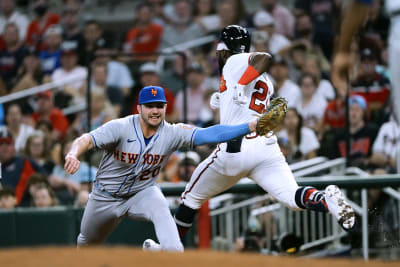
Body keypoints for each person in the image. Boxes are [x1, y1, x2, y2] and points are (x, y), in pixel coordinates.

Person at [172, 25, 356, 246]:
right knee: (291, 196)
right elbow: (248, 102)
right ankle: (325, 199)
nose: (217, 53)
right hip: (265, 148)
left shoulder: (234, 61)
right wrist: (223, 96)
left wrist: (238, 85)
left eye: (219, 49)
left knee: (190, 199)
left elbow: (265, 57)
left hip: (236, 148)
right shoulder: (265, 80)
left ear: (224, 48)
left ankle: (167, 246)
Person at [64, 85, 260, 251]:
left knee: (172, 240)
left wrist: (250, 126)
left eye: (159, 106)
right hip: (105, 196)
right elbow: (87, 140)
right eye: (150, 106)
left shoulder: (173, 132)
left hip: (142, 193)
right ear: (139, 108)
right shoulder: (120, 127)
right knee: (86, 244)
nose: (155, 111)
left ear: (166, 108)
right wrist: (73, 153)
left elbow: (210, 134)